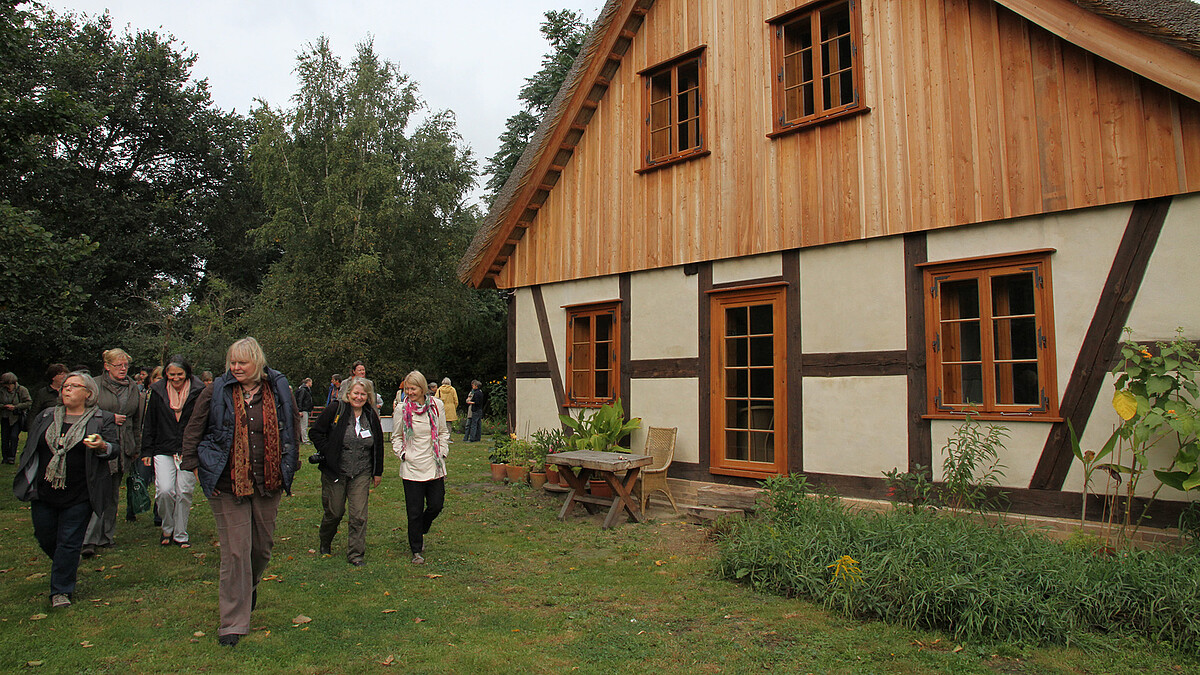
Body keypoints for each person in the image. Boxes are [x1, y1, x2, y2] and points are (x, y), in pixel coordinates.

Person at [181, 337, 300, 647]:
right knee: (236, 552)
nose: (235, 368)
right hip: (227, 482)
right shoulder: (216, 390)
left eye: (241, 363)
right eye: (231, 362)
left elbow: (290, 427)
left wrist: (290, 462)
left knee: (260, 549)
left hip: (267, 480)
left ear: (256, 363)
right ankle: (232, 623)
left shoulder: (278, 390)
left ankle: (248, 585)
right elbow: (194, 427)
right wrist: (193, 463)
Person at [13, 371, 118, 608]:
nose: (66, 389)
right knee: (45, 536)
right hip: (44, 490)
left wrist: (102, 446)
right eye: (65, 386)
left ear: (88, 393)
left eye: (73, 386)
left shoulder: (101, 419)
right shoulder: (47, 415)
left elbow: (114, 448)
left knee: (69, 540)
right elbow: (31, 447)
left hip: (80, 493)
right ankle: (66, 563)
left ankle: (60, 591)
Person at [309, 376, 383, 566]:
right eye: (355, 393)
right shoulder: (336, 410)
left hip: (361, 471)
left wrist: (377, 471)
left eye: (363, 394)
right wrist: (328, 449)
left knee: (359, 515)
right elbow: (315, 432)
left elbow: (379, 444)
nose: (359, 397)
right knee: (334, 512)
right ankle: (325, 540)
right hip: (336, 471)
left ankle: (356, 554)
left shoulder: (370, 415)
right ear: (348, 394)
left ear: (368, 396)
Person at [82, 349, 142, 557]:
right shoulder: (94, 385)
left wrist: (135, 446)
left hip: (123, 445)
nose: (123, 369)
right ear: (107, 366)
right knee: (95, 489)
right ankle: (88, 538)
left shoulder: (133, 387)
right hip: (98, 443)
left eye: (125, 365)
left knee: (112, 493)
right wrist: (108, 417)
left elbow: (136, 419)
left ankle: (106, 536)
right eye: (118, 366)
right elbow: (85, 410)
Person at [142, 355, 205, 547]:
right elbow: (150, 422)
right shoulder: (158, 392)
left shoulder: (198, 391)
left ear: (187, 374)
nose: (176, 378)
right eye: (171, 375)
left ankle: (180, 533)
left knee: (184, 491)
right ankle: (167, 526)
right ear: (165, 375)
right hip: (163, 446)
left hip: (188, 448)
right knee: (165, 491)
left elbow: (203, 421)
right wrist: (146, 451)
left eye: (179, 374)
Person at [392, 371, 450, 565]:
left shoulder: (436, 406)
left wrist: (442, 452)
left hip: (434, 464)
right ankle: (416, 549)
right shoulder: (402, 409)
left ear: (422, 388)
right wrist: (403, 454)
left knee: (436, 504)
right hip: (412, 466)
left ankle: (421, 527)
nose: (409, 392)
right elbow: (397, 436)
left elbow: (443, 432)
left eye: (413, 388)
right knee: (414, 511)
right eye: (407, 389)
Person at [0, 373, 32, 463]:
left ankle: (12, 457)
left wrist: (16, 407)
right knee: (5, 438)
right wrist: (4, 406)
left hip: (17, 418)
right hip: (5, 417)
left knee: (14, 437)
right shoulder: (1, 391)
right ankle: (5, 457)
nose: (6, 386)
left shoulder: (22, 390)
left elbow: (29, 402)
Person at [295, 378, 314, 444]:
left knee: (302, 425)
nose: (312, 383)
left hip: (305, 409)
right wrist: (300, 410)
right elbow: (300, 400)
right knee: (304, 425)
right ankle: (304, 440)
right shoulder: (303, 390)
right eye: (311, 382)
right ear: (308, 382)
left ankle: (301, 438)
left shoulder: (304, 389)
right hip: (303, 409)